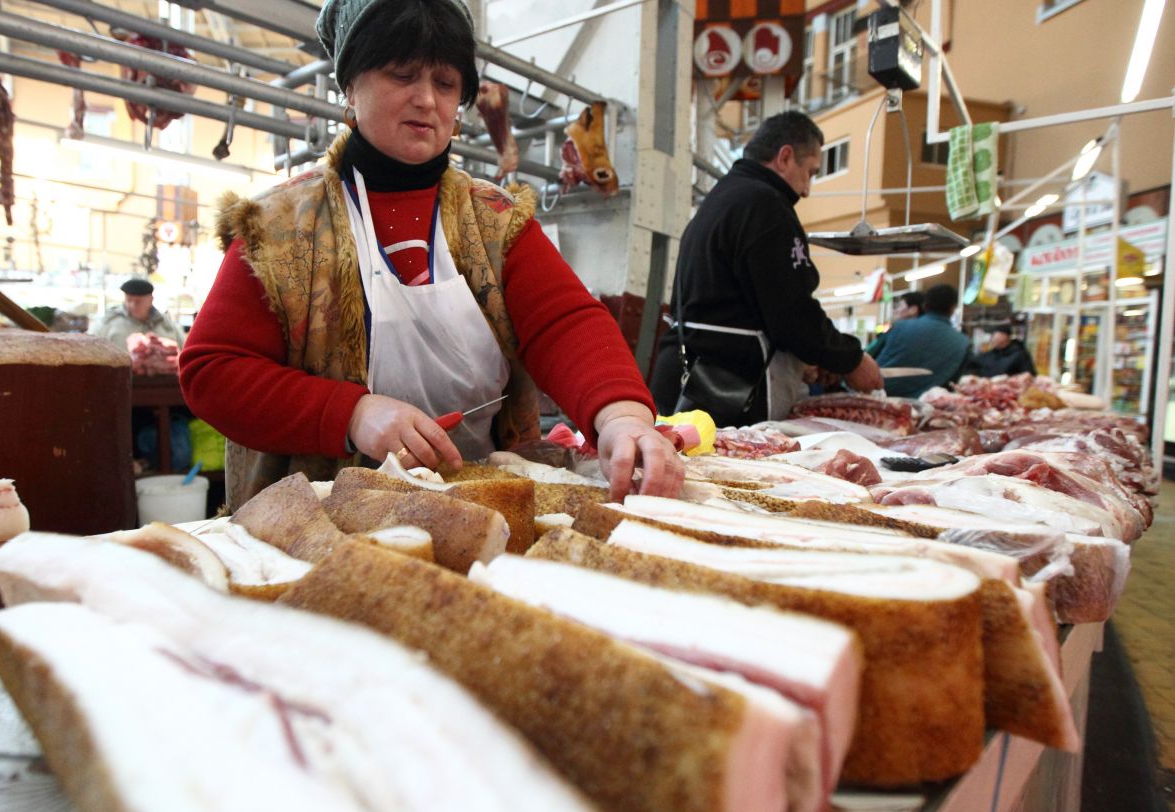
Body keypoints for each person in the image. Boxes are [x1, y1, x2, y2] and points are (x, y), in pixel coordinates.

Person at [179, 0, 682, 509]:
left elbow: (565, 323)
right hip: (319, 519)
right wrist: (352, 414)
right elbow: (213, 370)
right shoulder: (278, 227)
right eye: (402, 75)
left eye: (445, 84)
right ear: (351, 87)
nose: (426, 99)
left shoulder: (495, 220)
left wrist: (619, 415)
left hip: (488, 507)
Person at [648, 111, 882, 425]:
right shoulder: (765, 205)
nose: (807, 190)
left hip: (690, 376)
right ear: (785, 157)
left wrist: (810, 361)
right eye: (810, 172)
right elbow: (792, 312)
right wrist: (851, 359)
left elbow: (739, 303)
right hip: (726, 388)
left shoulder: (725, 197)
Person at [872, 284, 978, 397]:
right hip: (924, 406)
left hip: (877, 397)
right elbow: (952, 384)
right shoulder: (963, 343)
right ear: (953, 308)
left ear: (925, 305)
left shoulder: (900, 326)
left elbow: (868, 356)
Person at [91, 278, 186, 350]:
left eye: (138, 301)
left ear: (150, 300)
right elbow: (92, 348)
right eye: (129, 300)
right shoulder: (108, 323)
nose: (132, 305)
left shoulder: (166, 325)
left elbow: (183, 349)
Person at [865, 291, 924, 357]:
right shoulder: (925, 334)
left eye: (899, 306)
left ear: (913, 310)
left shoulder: (897, 332)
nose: (895, 310)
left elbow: (870, 354)